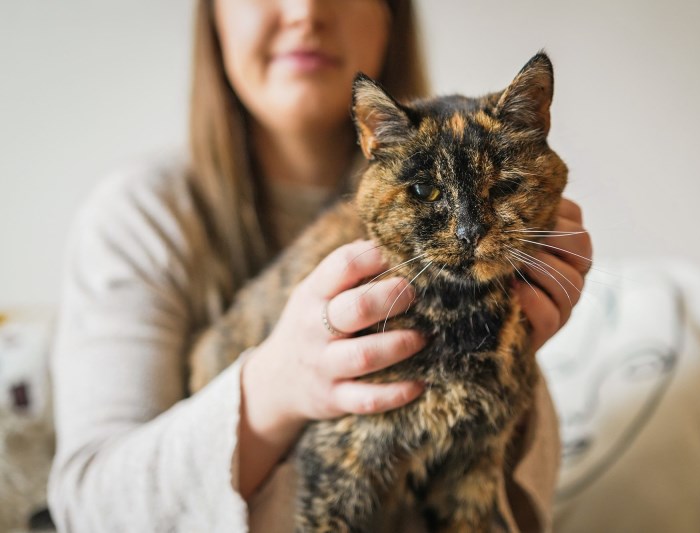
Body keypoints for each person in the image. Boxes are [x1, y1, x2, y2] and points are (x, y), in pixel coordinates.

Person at [47, 0, 592, 531]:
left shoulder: (486, 179)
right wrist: (273, 386)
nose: (306, 11)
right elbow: (88, 507)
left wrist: (513, 360)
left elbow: (485, 490)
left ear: (390, 12)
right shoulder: (140, 215)